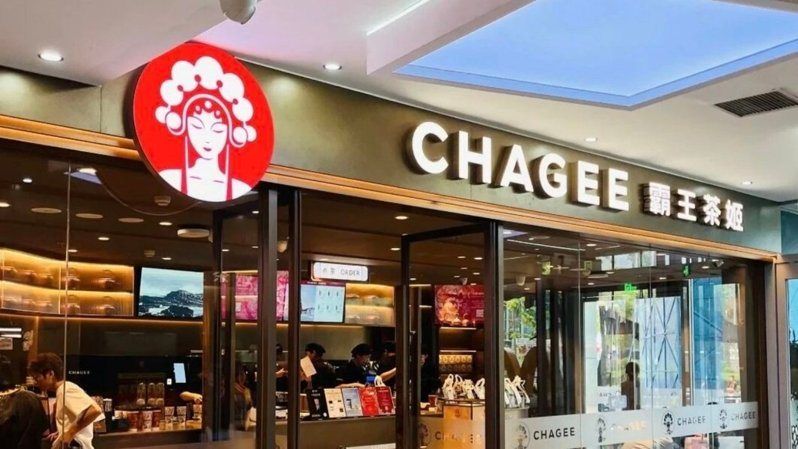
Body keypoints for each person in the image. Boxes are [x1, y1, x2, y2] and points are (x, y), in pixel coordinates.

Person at [154, 57, 258, 201]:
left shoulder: (239, 186)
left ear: (232, 133)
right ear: (183, 126)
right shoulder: (171, 175)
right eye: (197, 126)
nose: (207, 138)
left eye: (218, 130)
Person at [29, 353, 103, 449]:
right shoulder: (62, 390)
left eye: (37, 377)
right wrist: (61, 433)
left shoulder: (65, 389)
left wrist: (69, 433)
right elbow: (76, 418)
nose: (36, 382)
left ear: (50, 374)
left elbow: (95, 410)